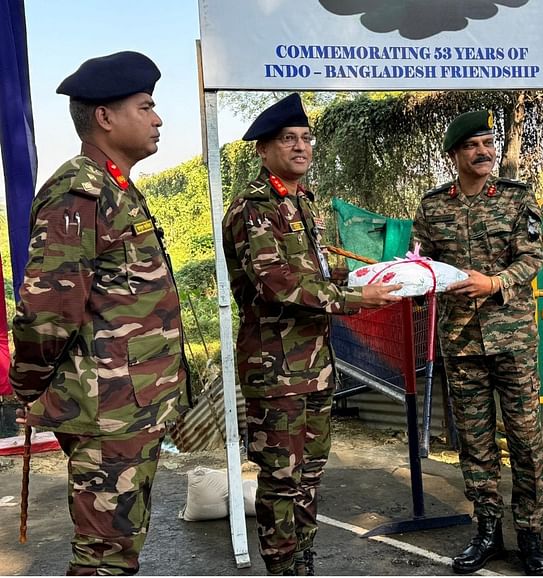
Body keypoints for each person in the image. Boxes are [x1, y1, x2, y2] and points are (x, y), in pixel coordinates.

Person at [10, 51, 192, 575]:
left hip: (129, 404)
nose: (158, 119)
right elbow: (47, 311)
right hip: (106, 409)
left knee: (120, 544)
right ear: (106, 118)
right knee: (106, 555)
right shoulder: (80, 191)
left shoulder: (114, 185)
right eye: (147, 106)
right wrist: (30, 385)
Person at [221, 93, 402, 576]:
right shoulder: (254, 209)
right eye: (288, 139)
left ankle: (304, 560)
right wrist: (354, 301)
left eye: (305, 138)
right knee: (282, 478)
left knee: (311, 475)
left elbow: (316, 271)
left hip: (316, 365)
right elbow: (277, 283)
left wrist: (365, 276)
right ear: (264, 150)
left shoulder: (301, 202)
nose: (301, 147)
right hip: (276, 369)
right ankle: (283, 568)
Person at [411, 110, 543, 576]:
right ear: (455, 154)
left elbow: (533, 258)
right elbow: (420, 265)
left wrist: (493, 283)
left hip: (513, 340)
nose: (484, 151)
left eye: (489, 142)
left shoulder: (516, 199)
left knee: (526, 439)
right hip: (461, 342)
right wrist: (410, 277)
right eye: (473, 144)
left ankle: (530, 531)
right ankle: (488, 529)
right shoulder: (432, 207)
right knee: (474, 441)